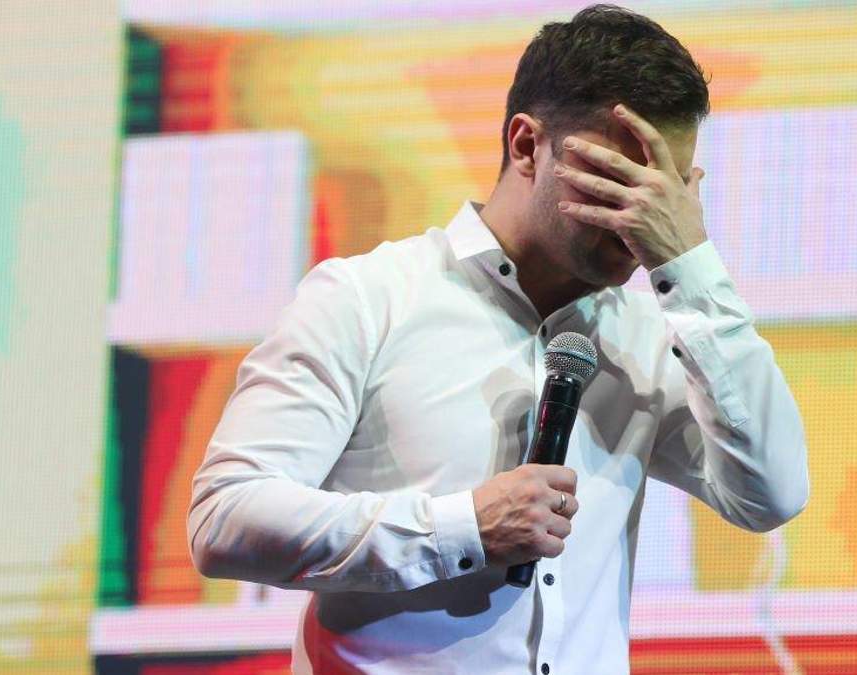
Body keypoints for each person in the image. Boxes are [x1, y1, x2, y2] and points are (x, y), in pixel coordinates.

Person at [187, 4, 809, 673]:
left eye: (668, 191)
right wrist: (460, 528)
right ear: (526, 146)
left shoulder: (652, 340)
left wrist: (692, 269)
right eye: (621, 179)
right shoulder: (368, 298)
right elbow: (226, 519)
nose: (642, 216)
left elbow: (769, 495)